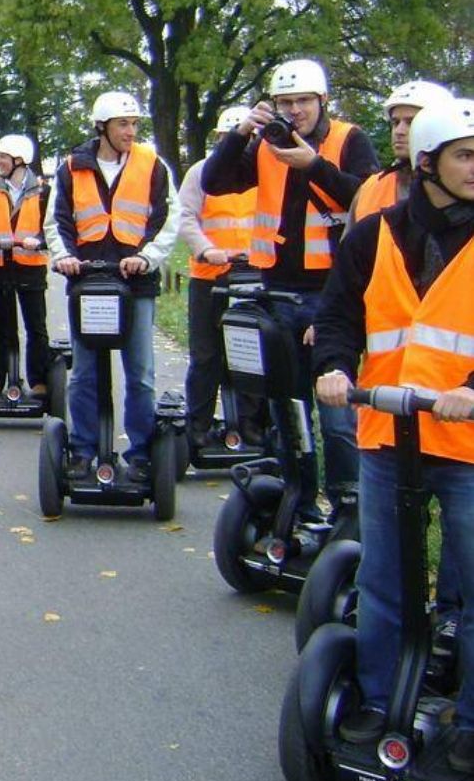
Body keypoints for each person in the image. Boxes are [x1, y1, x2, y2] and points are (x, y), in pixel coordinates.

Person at [312, 97, 474, 769]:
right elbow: (338, 316)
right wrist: (330, 365)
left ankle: (467, 721)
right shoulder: (370, 235)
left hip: (464, 447)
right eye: (465, 155)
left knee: (469, 584)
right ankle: (379, 697)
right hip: (386, 436)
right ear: (428, 160)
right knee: (383, 578)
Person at [203, 58, 379, 517]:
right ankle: (296, 497)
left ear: (322, 101)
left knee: (336, 413)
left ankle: (347, 506)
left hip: (332, 294)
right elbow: (215, 181)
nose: (295, 111)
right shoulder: (266, 143)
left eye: (303, 101)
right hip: (277, 290)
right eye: (285, 102)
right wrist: (243, 132)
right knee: (287, 404)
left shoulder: (349, 140)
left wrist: (314, 165)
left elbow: (367, 199)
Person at [44, 90, 180, 482]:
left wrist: (147, 258)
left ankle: (140, 454)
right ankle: (83, 450)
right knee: (84, 372)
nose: (131, 131)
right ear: (102, 126)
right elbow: (57, 220)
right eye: (123, 124)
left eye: (135, 124)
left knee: (140, 373)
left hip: (135, 283)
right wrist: (64, 256)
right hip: (87, 283)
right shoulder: (72, 168)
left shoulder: (152, 165)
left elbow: (168, 219)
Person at [177, 105, 265, 449]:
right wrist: (206, 248)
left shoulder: (265, 173)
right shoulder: (201, 173)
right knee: (206, 355)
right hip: (210, 275)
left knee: (250, 353)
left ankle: (252, 425)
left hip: (254, 276)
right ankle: (197, 424)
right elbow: (186, 218)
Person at [0, 134, 50, 398]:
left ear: (19, 160)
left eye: (2, 157)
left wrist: (38, 240)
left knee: (35, 326)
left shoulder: (42, 191)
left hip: (30, 265)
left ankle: (39, 380)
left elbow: (54, 227)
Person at [348, 80, 452, 225]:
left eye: (411, 122)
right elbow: (350, 246)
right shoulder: (371, 188)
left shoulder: (464, 185)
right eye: (395, 122)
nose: (399, 131)